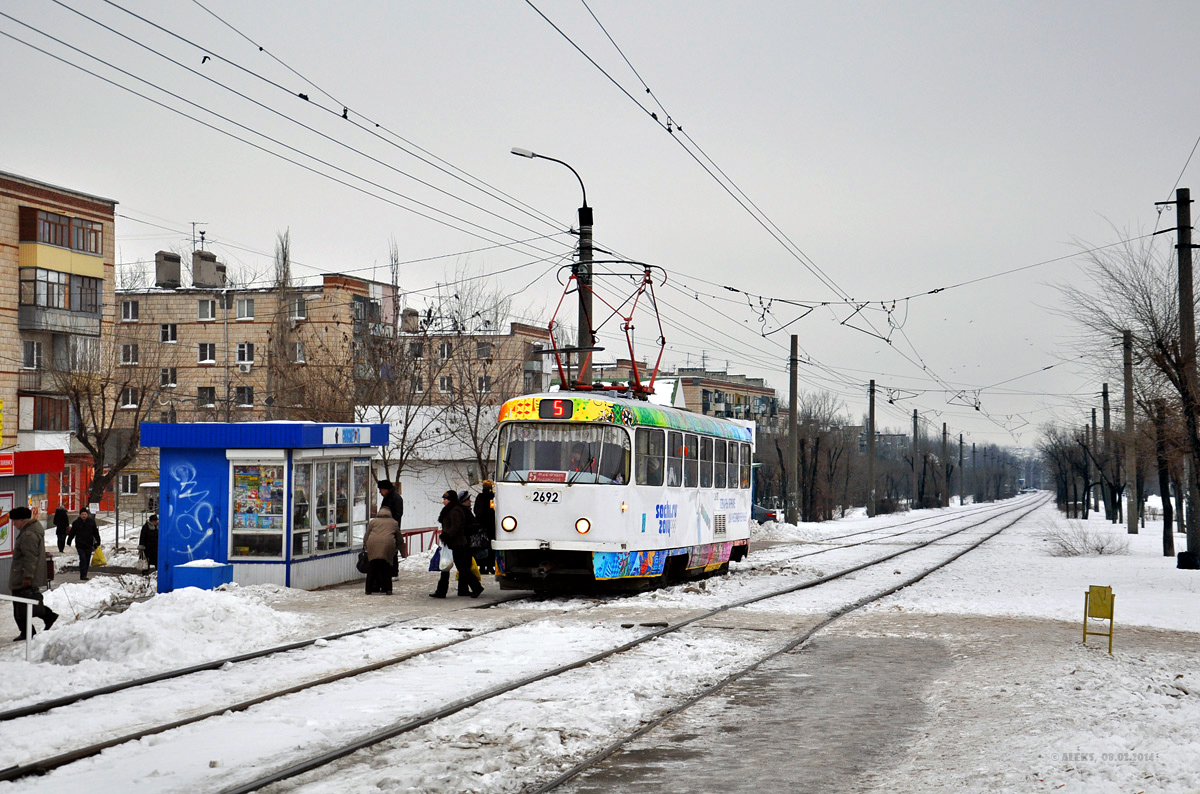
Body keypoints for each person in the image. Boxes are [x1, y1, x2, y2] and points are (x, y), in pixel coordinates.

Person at [9, 507, 58, 641]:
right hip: (24, 574)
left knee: (20, 603)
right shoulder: (30, 531)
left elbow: (30, 557)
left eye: (15, 521)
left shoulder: (28, 535)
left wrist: (27, 576)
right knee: (25, 602)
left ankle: (33, 627)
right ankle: (44, 620)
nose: (14, 524)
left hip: (23, 575)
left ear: (23, 520)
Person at [431, 489, 483, 598]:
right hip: (451, 543)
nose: (444, 501)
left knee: (461, 567)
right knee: (446, 566)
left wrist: (447, 534)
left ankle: (476, 587)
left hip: (457, 543)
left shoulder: (455, 510)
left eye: (445, 499)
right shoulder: (450, 509)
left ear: (451, 500)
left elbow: (456, 526)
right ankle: (441, 591)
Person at [363, 506, 402, 595]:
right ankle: (388, 589)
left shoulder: (373, 522)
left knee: (372, 567)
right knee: (386, 568)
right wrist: (403, 552)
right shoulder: (394, 523)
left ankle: (368, 590)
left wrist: (367, 546)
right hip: (387, 546)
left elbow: (366, 536)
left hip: (372, 545)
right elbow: (399, 538)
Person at [377, 479, 405, 574]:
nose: (380, 492)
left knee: (392, 549)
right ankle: (390, 570)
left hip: (391, 528)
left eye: (381, 490)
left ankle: (393, 571)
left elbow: (398, 514)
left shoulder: (394, 498)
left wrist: (391, 524)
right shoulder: (389, 497)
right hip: (388, 527)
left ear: (386, 489)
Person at [66, 507, 101, 581]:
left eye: (85, 514)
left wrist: (98, 541)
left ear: (87, 514)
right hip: (80, 544)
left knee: (87, 559)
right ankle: (82, 575)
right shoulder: (76, 523)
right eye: (82, 514)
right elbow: (72, 533)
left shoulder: (91, 522)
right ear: (80, 515)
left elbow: (95, 532)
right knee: (83, 559)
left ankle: (85, 573)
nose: (84, 515)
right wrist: (69, 541)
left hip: (89, 544)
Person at [474, 480, 496, 575]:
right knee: (491, 546)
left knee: (482, 546)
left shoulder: (480, 497)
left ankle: (482, 567)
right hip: (492, 526)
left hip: (481, 526)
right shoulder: (493, 497)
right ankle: (490, 566)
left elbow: (477, 511)